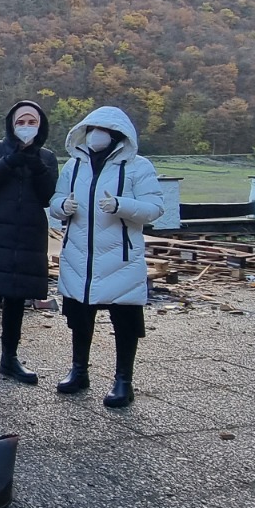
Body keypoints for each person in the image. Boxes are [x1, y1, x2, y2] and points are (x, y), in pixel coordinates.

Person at [49, 106, 164, 408]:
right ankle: (79, 371)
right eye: (92, 129)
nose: (97, 135)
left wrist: (121, 205)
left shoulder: (138, 166)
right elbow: (56, 201)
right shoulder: (74, 166)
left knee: (125, 320)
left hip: (120, 257)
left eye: (104, 130)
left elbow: (154, 207)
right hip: (79, 256)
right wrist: (63, 206)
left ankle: (123, 380)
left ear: (117, 135)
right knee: (79, 317)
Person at [0, 102, 58, 396]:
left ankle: (10, 359)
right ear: (11, 123)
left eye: (33, 121)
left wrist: (35, 164)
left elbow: (47, 197)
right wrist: (9, 161)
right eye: (22, 120)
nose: (27, 125)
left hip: (28, 236)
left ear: (40, 126)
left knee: (17, 300)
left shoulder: (46, 156)